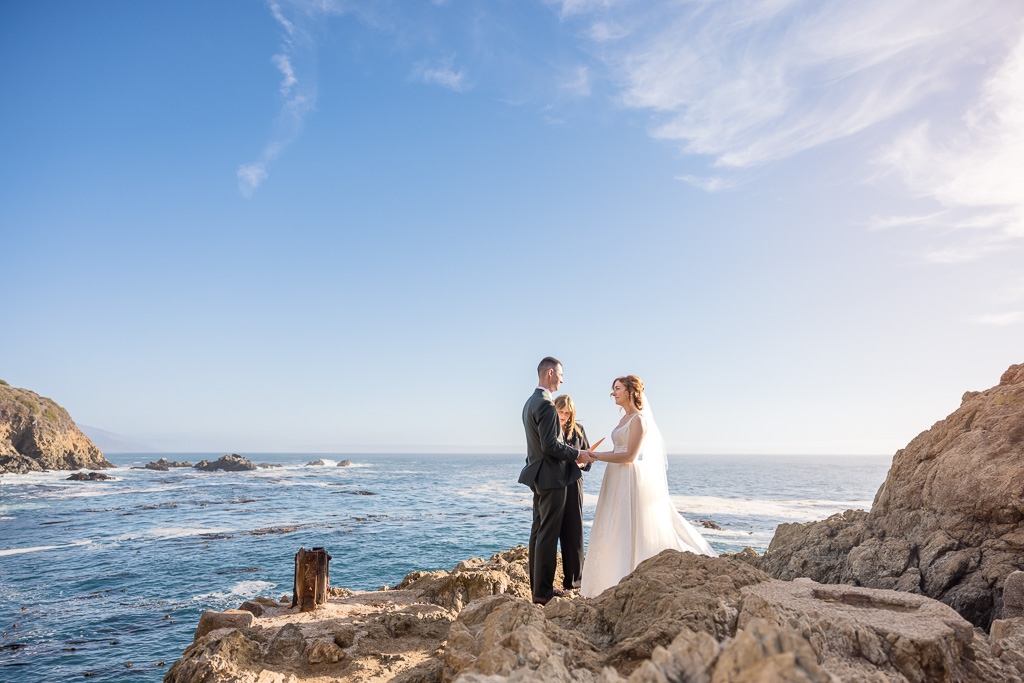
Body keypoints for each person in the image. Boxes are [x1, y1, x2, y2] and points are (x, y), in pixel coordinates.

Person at [580, 375, 717, 599]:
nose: (613, 393)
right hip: (614, 476)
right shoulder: (623, 419)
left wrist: (593, 455)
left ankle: (626, 573)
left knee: (624, 525)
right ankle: (605, 580)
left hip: (627, 477)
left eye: (617, 388)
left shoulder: (639, 420)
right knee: (611, 526)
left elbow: (629, 455)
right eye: (613, 389)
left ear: (631, 391)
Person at [519, 357, 593, 605]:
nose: (562, 379)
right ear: (550, 373)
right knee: (548, 535)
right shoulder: (548, 406)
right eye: (560, 374)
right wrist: (577, 454)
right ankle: (544, 593)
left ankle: (538, 588)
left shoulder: (530, 403)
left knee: (538, 533)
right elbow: (550, 445)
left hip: (538, 476)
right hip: (553, 478)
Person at [554, 394, 590, 591]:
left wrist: (584, 462)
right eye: (560, 412)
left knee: (574, 533)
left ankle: (574, 583)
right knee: (552, 532)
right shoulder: (548, 428)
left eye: (567, 413)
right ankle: (548, 583)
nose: (564, 416)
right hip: (553, 485)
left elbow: (587, 459)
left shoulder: (579, 430)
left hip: (574, 485)